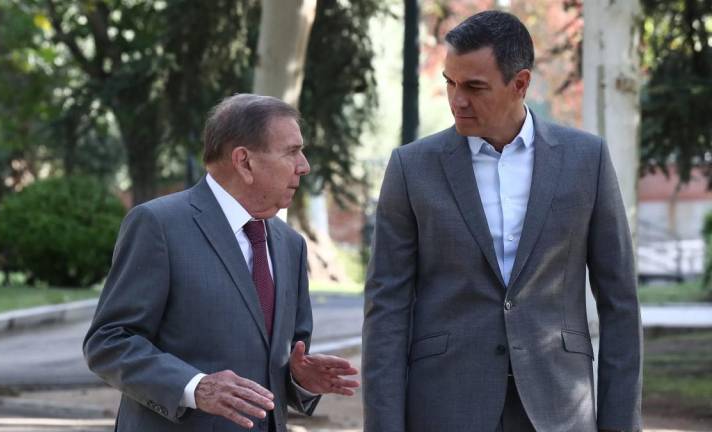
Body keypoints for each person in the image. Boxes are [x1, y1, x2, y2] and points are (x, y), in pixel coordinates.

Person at [362, 10, 641, 432]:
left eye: (474, 87)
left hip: (558, 407)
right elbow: (386, 308)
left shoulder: (587, 160)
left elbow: (620, 303)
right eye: (450, 83)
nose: (457, 99)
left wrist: (619, 424)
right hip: (446, 405)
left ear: (520, 83)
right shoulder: (411, 168)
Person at [84, 93, 359, 432]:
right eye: (291, 152)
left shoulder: (291, 245)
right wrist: (194, 386)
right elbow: (109, 341)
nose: (304, 165)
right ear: (244, 161)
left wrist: (299, 379)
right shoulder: (158, 225)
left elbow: (280, 362)